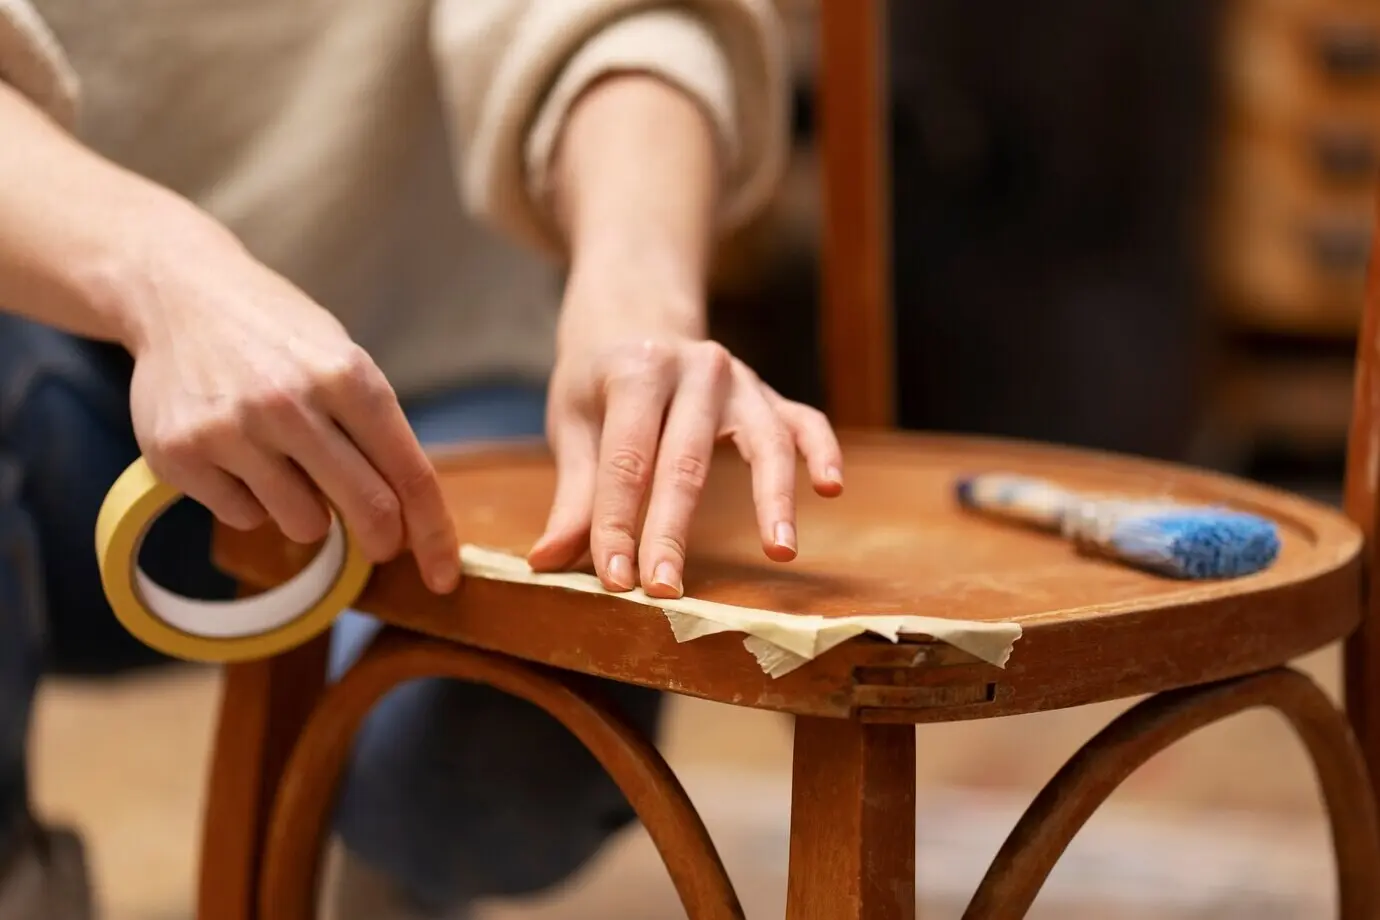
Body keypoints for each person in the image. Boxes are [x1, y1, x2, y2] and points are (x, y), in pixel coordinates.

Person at [0, 1, 844, 917]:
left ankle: (399, 867)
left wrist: (636, 297)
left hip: (435, 385)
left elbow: (628, 17)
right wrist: (161, 276)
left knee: (489, 774)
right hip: (55, 360)